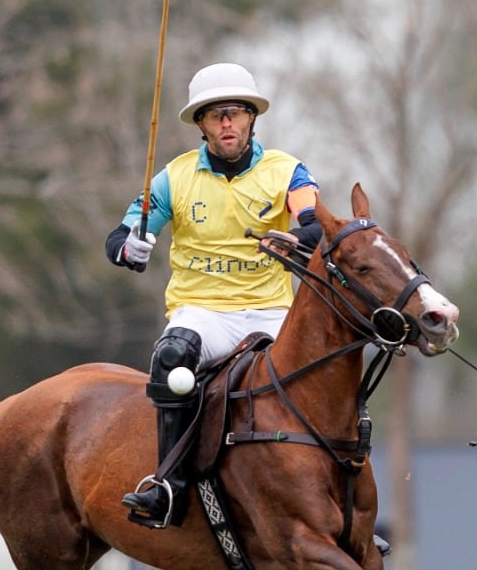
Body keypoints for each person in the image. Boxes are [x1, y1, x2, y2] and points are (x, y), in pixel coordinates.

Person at [108, 62, 322, 529]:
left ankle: (344, 495)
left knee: (332, 363)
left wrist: (305, 234)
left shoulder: (287, 171)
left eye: (235, 112)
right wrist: (130, 246)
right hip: (204, 312)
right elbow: (121, 235)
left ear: (251, 118)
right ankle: (169, 487)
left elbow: (312, 219)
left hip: (271, 311)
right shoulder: (173, 177)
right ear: (200, 124)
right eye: (215, 114)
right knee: (170, 357)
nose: (226, 123)